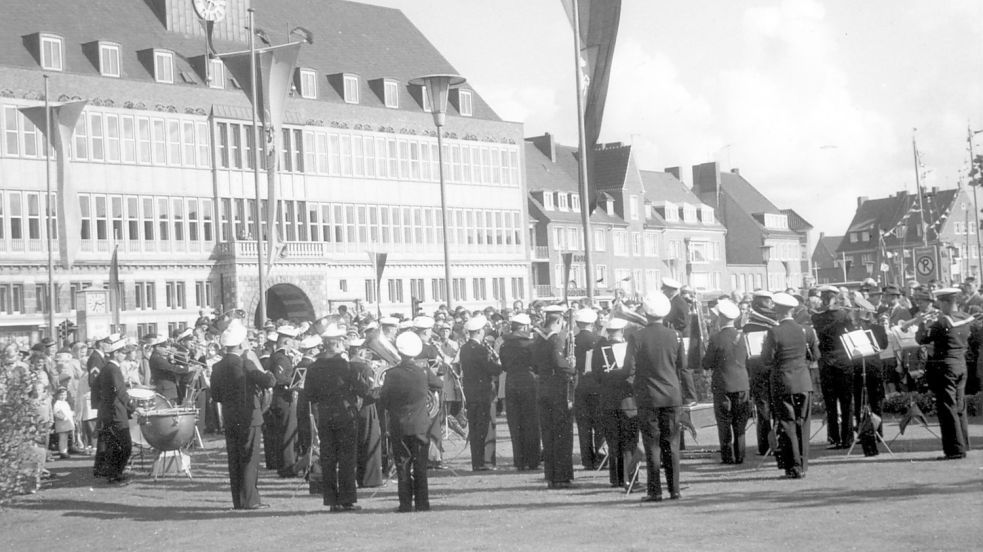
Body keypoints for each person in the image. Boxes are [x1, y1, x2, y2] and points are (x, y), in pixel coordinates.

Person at [624, 292, 695, 502]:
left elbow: (629, 369)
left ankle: (654, 491)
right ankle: (675, 489)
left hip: (648, 397)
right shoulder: (675, 336)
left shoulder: (636, 337)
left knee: (652, 445)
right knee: (671, 444)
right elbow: (682, 367)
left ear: (645, 312)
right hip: (671, 396)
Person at [305, 325, 371, 511]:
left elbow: (309, 395)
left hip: (325, 415)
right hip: (345, 415)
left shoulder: (313, 367)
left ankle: (331, 500)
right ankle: (347, 499)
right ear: (337, 344)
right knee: (346, 458)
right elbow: (362, 390)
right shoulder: (345, 366)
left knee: (328, 458)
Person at [210, 322, 276, 510]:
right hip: (250, 416)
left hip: (230, 417)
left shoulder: (217, 366)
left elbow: (216, 396)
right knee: (249, 458)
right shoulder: (245, 362)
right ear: (240, 344)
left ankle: (239, 500)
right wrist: (254, 361)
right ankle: (250, 499)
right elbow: (269, 381)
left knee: (235, 459)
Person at [378, 332, 442, 513]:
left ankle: (405, 504)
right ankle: (423, 503)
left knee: (402, 465)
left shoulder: (391, 373)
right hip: (421, 424)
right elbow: (438, 385)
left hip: (399, 424)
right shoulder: (423, 371)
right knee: (421, 465)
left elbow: (384, 401)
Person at [761, 293, 817, 479]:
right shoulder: (806, 330)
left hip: (783, 382)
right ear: (792, 310)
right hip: (803, 381)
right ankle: (803, 464)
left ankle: (793, 467)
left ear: (777, 310)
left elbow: (766, 360)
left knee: (787, 424)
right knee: (803, 424)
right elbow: (814, 356)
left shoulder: (774, 332)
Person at [916, 288, 971, 460]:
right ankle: (963, 444)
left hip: (946, 366)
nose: (938, 306)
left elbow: (922, 339)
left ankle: (955, 450)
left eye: (940, 303)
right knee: (959, 406)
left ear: (946, 302)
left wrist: (920, 324)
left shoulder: (943, 322)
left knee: (947, 407)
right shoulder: (964, 318)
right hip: (960, 364)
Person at [703, 299, 750, 464]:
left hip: (722, 383)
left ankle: (727, 455)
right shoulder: (743, 336)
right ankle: (740, 454)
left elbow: (706, 363)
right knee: (740, 422)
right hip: (742, 382)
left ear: (721, 318)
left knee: (723, 422)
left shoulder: (716, 338)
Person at [595, 317, 639, 488]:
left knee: (613, 440)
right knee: (629, 439)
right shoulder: (629, 347)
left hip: (607, 399)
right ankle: (630, 477)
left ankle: (616, 478)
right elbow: (633, 371)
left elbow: (596, 376)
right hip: (627, 399)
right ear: (622, 331)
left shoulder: (599, 349)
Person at [535, 306, 576, 489]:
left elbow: (535, 365)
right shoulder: (555, 339)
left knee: (548, 433)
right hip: (557, 390)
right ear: (558, 321)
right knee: (561, 433)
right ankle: (561, 476)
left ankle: (551, 475)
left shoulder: (537, 340)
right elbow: (560, 364)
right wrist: (573, 368)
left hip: (543, 387)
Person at [812, 285, 855, 449]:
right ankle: (848, 438)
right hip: (844, 360)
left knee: (830, 403)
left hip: (826, 362)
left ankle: (833, 437)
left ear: (823, 299)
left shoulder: (817, 318)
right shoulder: (845, 315)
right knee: (846, 401)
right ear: (836, 298)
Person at [459, 315, 502, 471]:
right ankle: (484, 461)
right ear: (479, 331)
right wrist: (497, 361)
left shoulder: (464, 348)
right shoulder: (481, 349)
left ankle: (476, 461)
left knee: (475, 427)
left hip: (470, 392)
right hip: (483, 392)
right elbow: (493, 369)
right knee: (483, 427)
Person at [498, 313, 541, 470]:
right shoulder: (529, 344)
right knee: (531, 423)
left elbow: (503, 365)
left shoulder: (504, 344)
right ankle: (533, 460)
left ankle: (520, 460)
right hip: (528, 382)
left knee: (515, 423)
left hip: (511, 382)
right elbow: (536, 365)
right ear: (524, 327)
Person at [96, 337, 135, 485]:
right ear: (116, 353)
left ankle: (115, 474)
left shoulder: (108, 368)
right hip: (115, 412)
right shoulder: (113, 369)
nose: (125, 355)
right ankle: (115, 475)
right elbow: (120, 391)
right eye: (123, 353)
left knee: (116, 445)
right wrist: (134, 408)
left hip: (110, 411)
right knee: (124, 445)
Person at [743, 291, 778, 456]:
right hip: (774, 367)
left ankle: (764, 445)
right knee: (777, 407)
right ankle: (779, 440)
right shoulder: (776, 321)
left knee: (763, 408)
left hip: (757, 368)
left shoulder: (749, 324)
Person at [265, 325, 300, 476]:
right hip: (282, 398)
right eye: (291, 341)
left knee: (285, 432)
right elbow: (279, 378)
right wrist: (295, 382)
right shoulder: (280, 358)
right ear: (286, 342)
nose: (293, 344)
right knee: (287, 433)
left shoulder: (282, 356)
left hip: (282, 398)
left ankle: (286, 465)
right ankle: (287, 467)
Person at [572, 308, 601, 470]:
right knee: (599, 425)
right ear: (593, 322)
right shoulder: (598, 339)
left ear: (577, 323)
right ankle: (601, 457)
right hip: (596, 386)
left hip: (580, 385)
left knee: (584, 427)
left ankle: (587, 460)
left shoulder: (573, 340)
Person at [149, 336, 187, 404]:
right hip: (165, 391)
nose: (167, 349)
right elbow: (172, 368)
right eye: (164, 347)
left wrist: (171, 358)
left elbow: (172, 366)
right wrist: (189, 369)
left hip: (170, 390)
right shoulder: (156, 358)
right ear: (157, 347)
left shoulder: (160, 357)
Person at [51, 387, 75, 459]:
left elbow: (68, 412)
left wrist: (72, 413)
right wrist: (63, 417)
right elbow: (56, 413)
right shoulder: (57, 403)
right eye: (61, 395)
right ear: (57, 395)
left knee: (65, 438)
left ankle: (65, 450)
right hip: (62, 423)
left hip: (67, 423)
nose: (63, 396)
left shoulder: (65, 403)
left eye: (64, 395)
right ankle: (62, 451)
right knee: (62, 438)